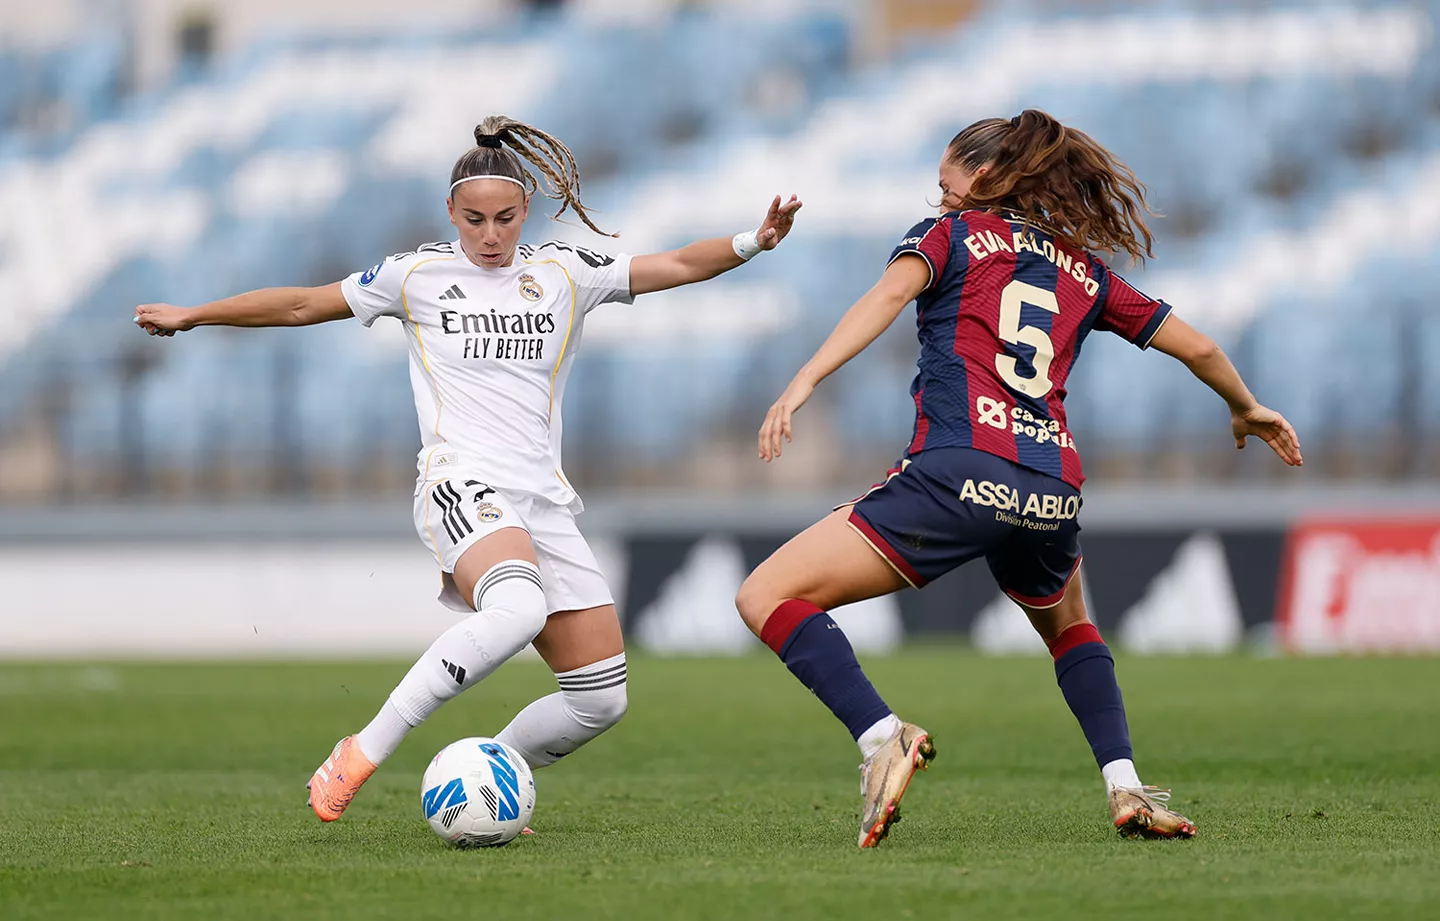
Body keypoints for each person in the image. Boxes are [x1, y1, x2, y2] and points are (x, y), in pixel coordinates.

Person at [135, 114, 802, 824]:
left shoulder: (563, 273)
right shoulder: (415, 275)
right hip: (459, 481)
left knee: (600, 699)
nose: (490, 235)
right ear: (450, 212)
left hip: (542, 498)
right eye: (475, 219)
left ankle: (488, 771)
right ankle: (362, 749)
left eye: (505, 219)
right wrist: (195, 314)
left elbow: (672, 265)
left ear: (526, 210)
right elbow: (303, 303)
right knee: (518, 609)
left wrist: (751, 242)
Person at [734, 109, 1302, 848]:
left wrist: (804, 380)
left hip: (958, 474)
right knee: (1071, 628)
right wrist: (1246, 406)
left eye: (946, 181)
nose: (939, 194)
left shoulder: (950, 235)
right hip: (1049, 488)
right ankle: (1126, 785)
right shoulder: (1086, 271)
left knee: (765, 595)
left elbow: (886, 298)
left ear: (984, 176)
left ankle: (882, 738)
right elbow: (1198, 347)